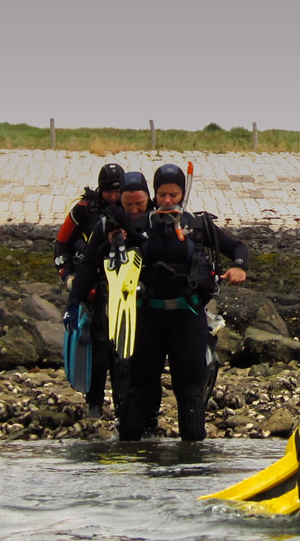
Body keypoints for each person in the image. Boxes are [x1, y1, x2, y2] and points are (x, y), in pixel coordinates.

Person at [67, 164, 250, 441]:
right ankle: (130, 451)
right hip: (148, 318)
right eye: (162, 195)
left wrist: (239, 266)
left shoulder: (197, 225)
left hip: (187, 318)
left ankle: (192, 457)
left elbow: (238, 247)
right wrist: (73, 304)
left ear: (182, 194)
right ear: (155, 195)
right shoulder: (133, 225)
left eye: (173, 195)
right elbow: (92, 264)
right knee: (139, 388)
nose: (167, 201)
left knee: (189, 390)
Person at [54, 163, 125, 419]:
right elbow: (61, 245)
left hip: (124, 292)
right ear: (100, 190)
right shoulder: (83, 210)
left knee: (122, 351)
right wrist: (68, 278)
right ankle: (95, 404)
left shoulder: (133, 207)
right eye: (109, 192)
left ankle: (124, 406)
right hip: (92, 290)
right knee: (99, 348)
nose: (114, 197)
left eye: (118, 192)